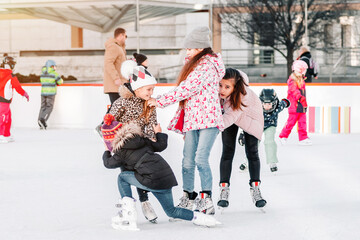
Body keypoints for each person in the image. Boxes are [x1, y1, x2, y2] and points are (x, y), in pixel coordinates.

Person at [148, 26, 225, 215]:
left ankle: (206, 199)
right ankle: (188, 197)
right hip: (193, 120)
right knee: (187, 161)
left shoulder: (206, 66)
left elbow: (186, 89)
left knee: (200, 159)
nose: (187, 52)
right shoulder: (194, 64)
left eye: (190, 49)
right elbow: (186, 88)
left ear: (199, 48)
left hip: (208, 120)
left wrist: (159, 101)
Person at [102, 121, 220, 230]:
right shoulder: (142, 140)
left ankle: (128, 212)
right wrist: (159, 132)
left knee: (122, 177)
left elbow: (108, 164)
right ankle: (203, 219)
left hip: (151, 180)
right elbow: (161, 145)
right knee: (171, 211)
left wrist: (107, 151)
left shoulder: (121, 151)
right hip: (165, 178)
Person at [108, 59, 158, 223]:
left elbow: (151, 122)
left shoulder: (149, 104)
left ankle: (145, 202)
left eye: (152, 89)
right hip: (124, 147)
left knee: (141, 174)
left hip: (141, 146)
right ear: (137, 87)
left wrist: (151, 136)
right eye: (148, 89)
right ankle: (127, 206)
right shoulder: (122, 102)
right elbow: (109, 122)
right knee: (126, 175)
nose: (151, 93)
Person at [217, 68, 266, 210]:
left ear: (235, 87)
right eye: (220, 85)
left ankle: (255, 188)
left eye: (227, 87)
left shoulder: (243, 94)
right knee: (227, 151)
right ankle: (224, 190)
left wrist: (213, 128)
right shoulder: (217, 91)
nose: (222, 90)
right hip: (229, 114)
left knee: (252, 152)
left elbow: (231, 116)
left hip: (251, 117)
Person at [95, 27, 128, 135]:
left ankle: (105, 126)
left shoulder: (119, 48)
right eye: (125, 36)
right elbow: (108, 63)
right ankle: (103, 126)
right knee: (116, 106)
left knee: (117, 106)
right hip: (115, 84)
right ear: (121, 35)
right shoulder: (113, 47)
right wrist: (116, 78)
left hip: (119, 83)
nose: (125, 39)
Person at [279, 60, 312, 145]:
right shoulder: (292, 80)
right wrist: (301, 98)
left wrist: (303, 102)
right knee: (291, 122)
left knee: (302, 123)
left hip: (301, 106)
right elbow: (294, 91)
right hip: (295, 106)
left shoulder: (301, 80)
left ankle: (303, 138)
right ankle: (283, 137)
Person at [259, 89, 290, 172]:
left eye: (269, 104)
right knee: (253, 143)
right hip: (258, 126)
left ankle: (272, 162)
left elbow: (284, 103)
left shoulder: (278, 107)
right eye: (264, 104)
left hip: (270, 125)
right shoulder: (256, 107)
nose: (267, 106)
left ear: (274, 103)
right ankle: (247, 162)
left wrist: (286, 102)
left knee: (269, 141)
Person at [0, 56, 29, 143]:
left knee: (8, 118)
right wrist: (24, 94)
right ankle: (1, 134)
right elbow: (17, 87)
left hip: (6, 101)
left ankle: (6, 134)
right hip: (4, 100)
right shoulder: (11, 76)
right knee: (3, 118)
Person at [38, 60, 63, 129]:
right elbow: (60, 82)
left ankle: (39, 121)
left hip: (43, 93)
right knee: (49, 107)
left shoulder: (42, 73)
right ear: (51, 66)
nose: (55, 68)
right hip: (51, 93)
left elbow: (41, 81)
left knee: (43, 107)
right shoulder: (54, 74)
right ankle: (43, 121)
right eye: (54, 66)